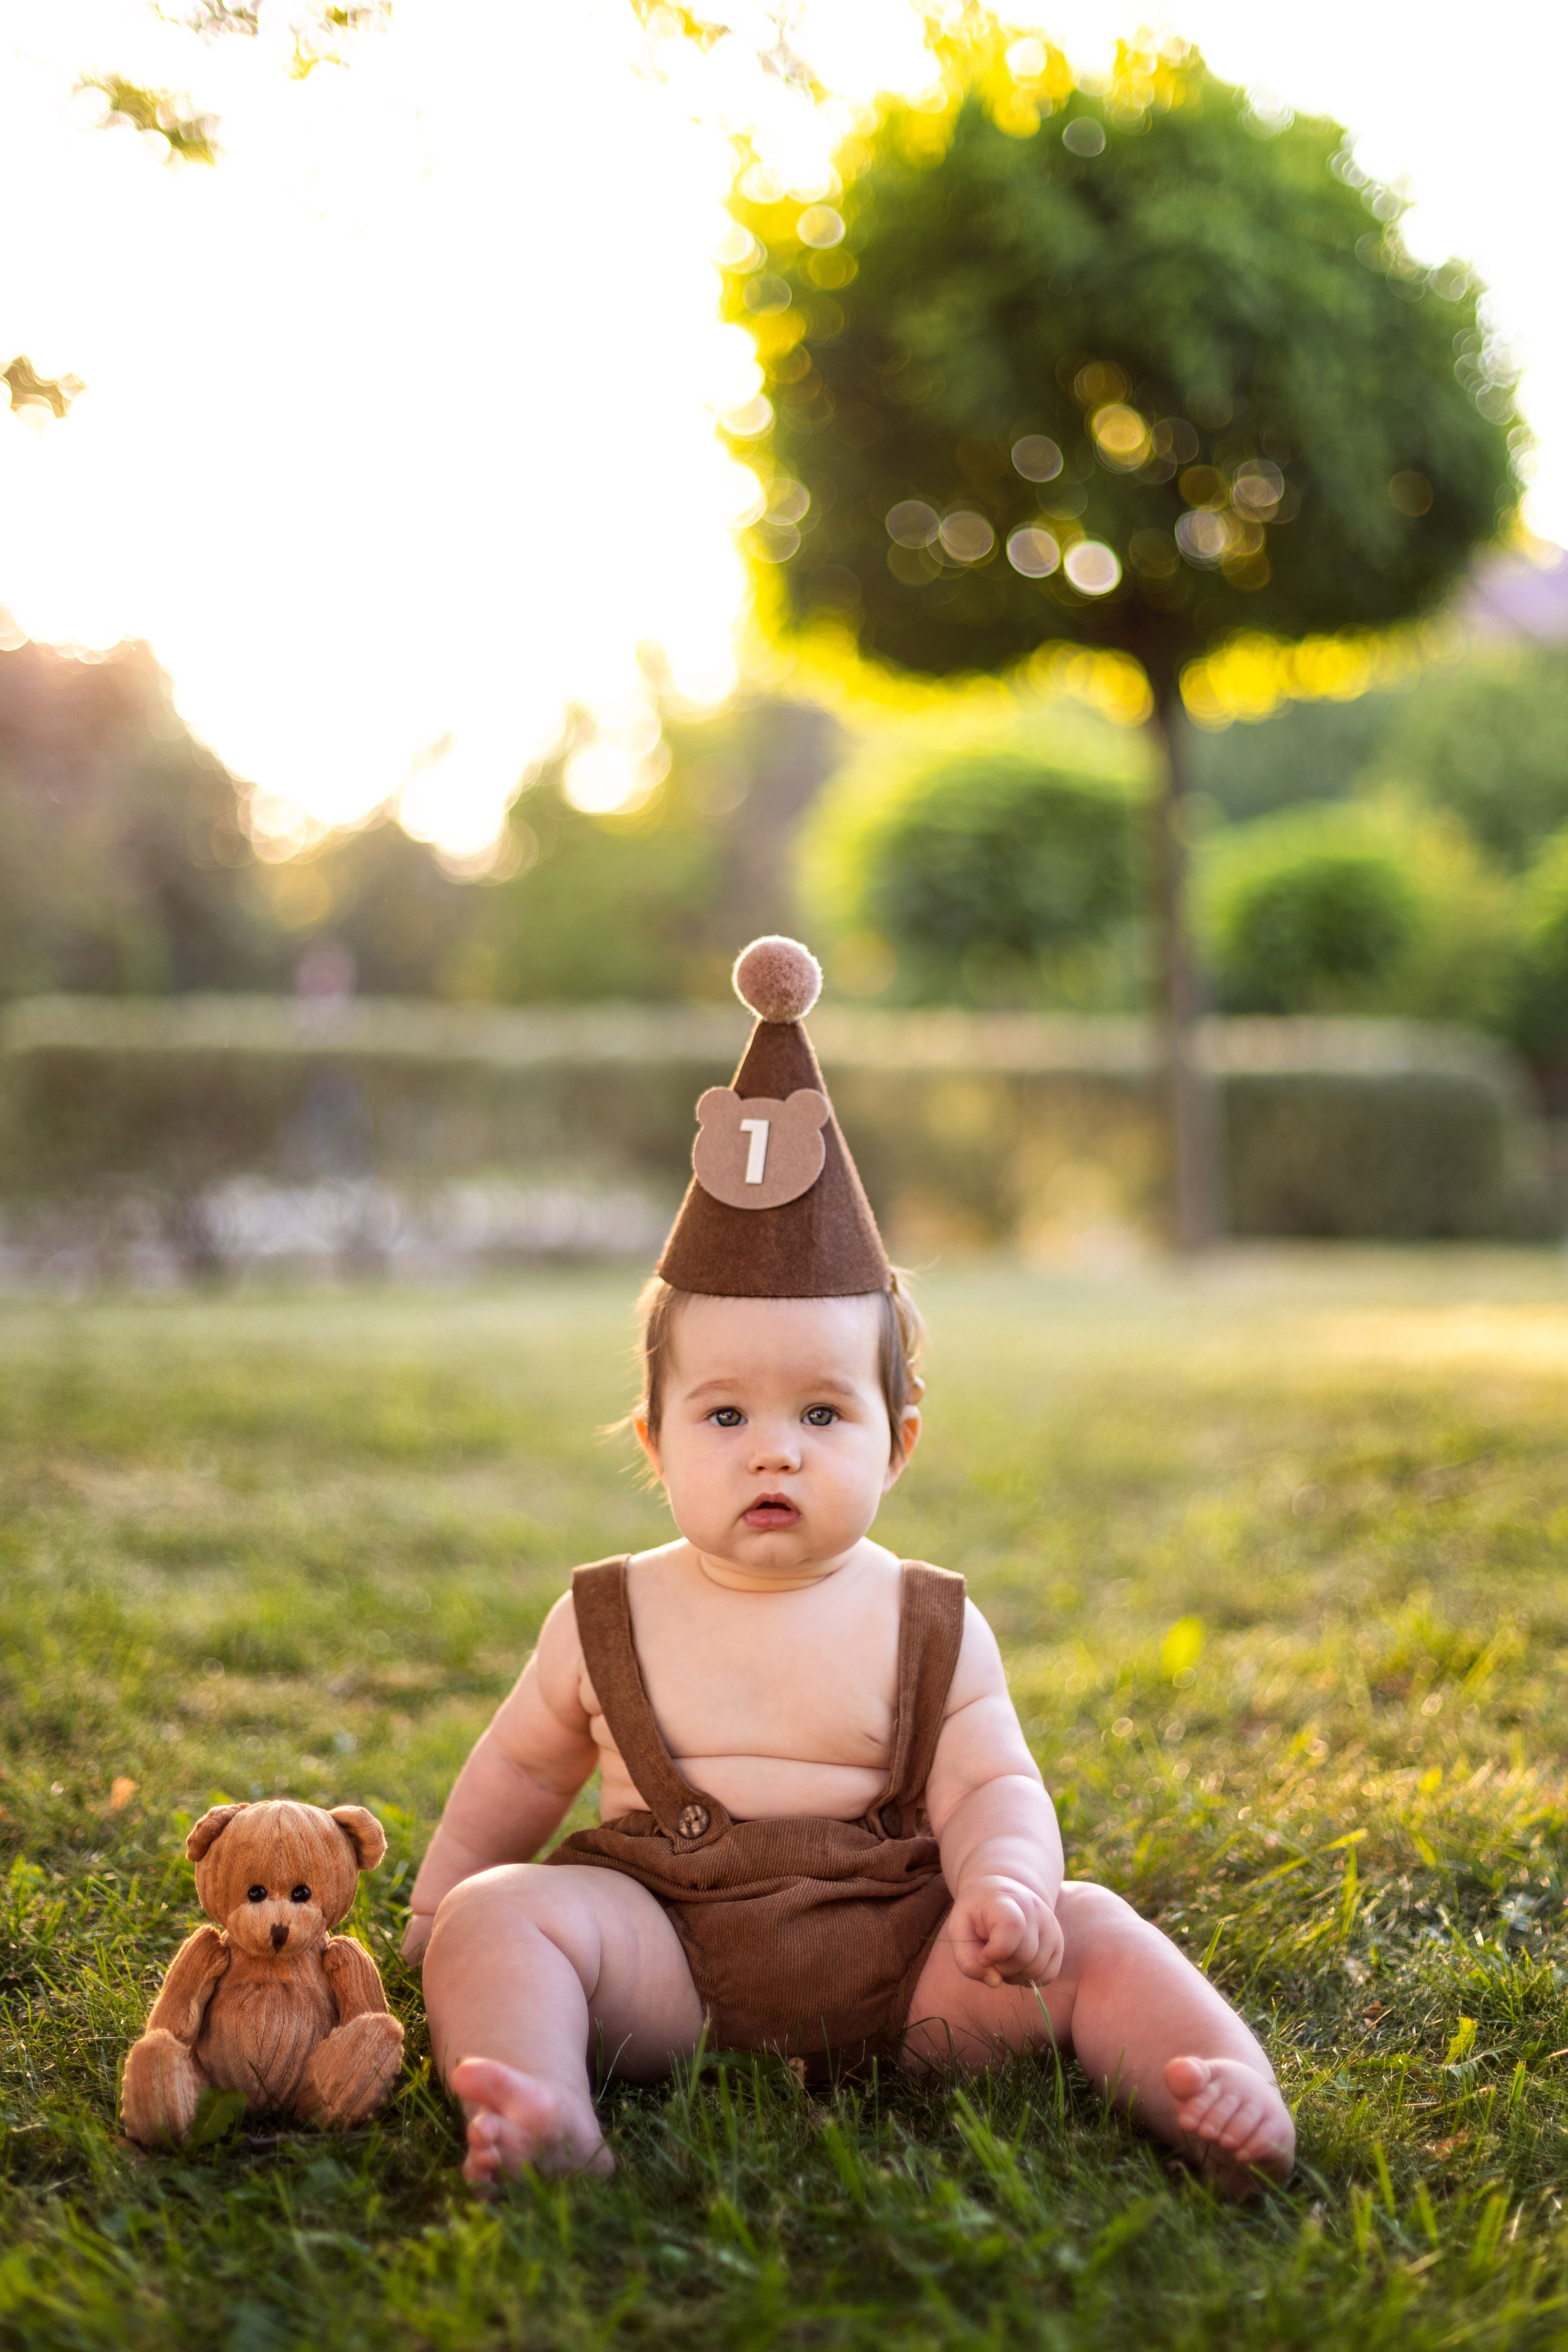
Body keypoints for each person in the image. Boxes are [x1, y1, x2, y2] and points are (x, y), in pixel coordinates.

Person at [402, 937, 1295, 2196]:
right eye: (725, 1420)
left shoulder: (928, 1621)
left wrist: (1002, 1884)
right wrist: (439, 1914)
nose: (775, 1452)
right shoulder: (605, 1614)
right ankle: (544, 2107)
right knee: (503, 1912)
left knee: (1090, 1928)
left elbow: (991, 1779)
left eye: (822, 1416)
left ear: (898, 1446)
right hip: (666, 1969)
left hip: (916, 1974)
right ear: (654, 1445)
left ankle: (1214, 2084)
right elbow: (514, 1772)